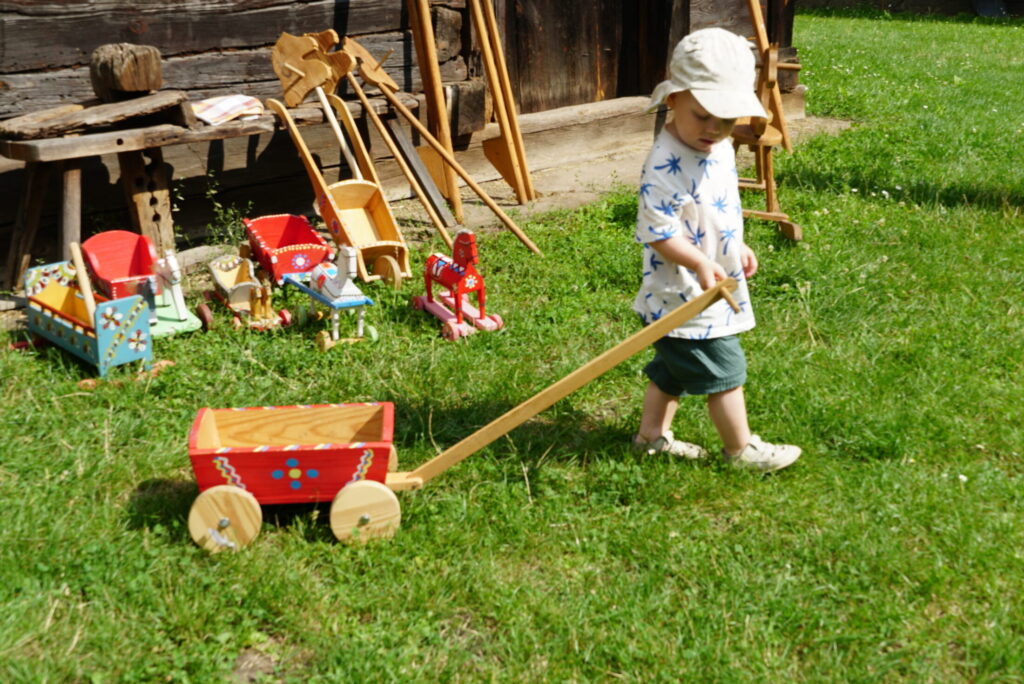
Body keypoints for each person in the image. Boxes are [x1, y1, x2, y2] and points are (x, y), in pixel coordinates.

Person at [631, 28, 800, 472]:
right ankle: (739, 450)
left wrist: (735, 243)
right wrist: (702, 261)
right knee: (725, 371)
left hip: (709, 281)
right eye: (703, 115)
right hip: (685, 291)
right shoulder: (664, 165)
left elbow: (716, 204)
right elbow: (657, 231)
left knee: (673, 368)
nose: (714, 129)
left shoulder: (718, 145)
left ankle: (650, 438)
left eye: (726, 120)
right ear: (674, 100)